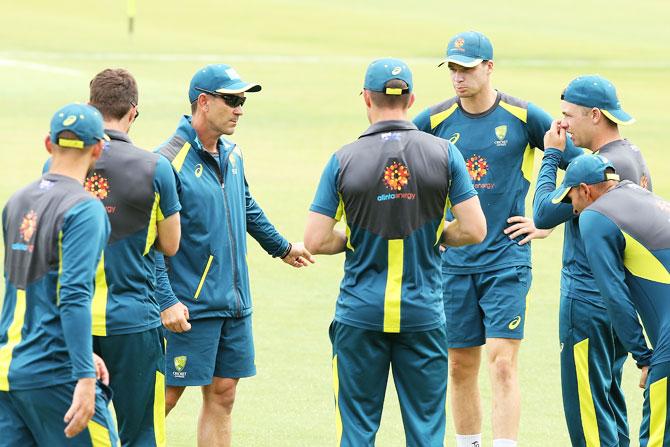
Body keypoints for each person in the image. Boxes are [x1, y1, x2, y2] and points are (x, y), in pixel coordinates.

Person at [305, 57, 486, 446]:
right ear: (411, 98)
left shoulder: (343, 159)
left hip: (360, 315)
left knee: (357, 431)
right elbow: (473, 228)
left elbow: (316, 240)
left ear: (366, 99)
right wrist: (438, 235)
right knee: (425, 433)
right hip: (422, 314)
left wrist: (354, 238)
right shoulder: (444, 154)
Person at [413, 30, 582, 447]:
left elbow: (584, 172)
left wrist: (546, 221)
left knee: (502, 363)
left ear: (489, 68)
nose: (458, 77)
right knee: (458, 365)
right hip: (452, 264)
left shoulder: (524, 117)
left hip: (507, 259)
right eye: (453, 68)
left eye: (467, 68)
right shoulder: (432, 122)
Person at [155, 64, 314, 447]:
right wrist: (166, 300)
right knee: (164, 397)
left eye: (242, 101)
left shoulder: (233, 153)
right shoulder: (166, 161)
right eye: (233, 100)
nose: (240, 109)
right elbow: (150, 243)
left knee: (224, 391)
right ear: (204, 102)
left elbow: (245, 205)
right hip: (188, 306)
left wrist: (282, 248)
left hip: (233, 302)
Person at [534, 75, 653, 447]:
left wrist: (552, 155)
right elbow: (588, 166)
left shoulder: (596, 170)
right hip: (619, 304)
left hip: (587, 303)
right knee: (609, 404)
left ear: (596, 115)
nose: (563, 124)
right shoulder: (629, 156)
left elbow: (541, 213)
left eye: (568, 116)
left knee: (588, 414)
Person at [0, 103, 118, 446]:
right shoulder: (85, 209)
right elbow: (73, 295)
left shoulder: (17, 201)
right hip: (54, 372)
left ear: (49, 143)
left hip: (9, 370)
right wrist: (83, 374)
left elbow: (22, 289)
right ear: (98, 148)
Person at [87, 68, 183, 447]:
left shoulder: (61, 164)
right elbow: (171, 245)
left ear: (90, 108)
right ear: (134, 112)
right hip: (134, 322)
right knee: (141, 431)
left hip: (75, 321)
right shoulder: (156, 167)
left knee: (75, 427)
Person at [555, 154, 670, 446]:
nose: (573, 209)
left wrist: (644, 357)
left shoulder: (595, 216)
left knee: (656, 439)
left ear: (585, 189)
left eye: (570, 199)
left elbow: (614, 296)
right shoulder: (637, 193)